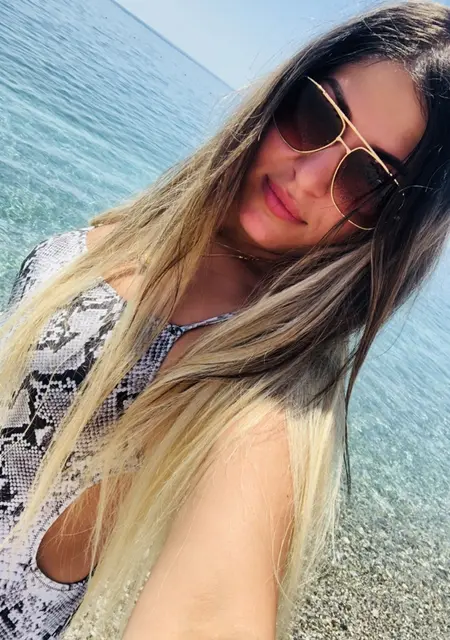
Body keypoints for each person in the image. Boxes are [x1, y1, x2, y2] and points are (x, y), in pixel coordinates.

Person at [1, 1, 450, 638]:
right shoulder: (157, 225)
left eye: (368, 181)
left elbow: (211, 608)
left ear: (390, 228)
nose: (309, 176)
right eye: (318, 114)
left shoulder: (261, 386)